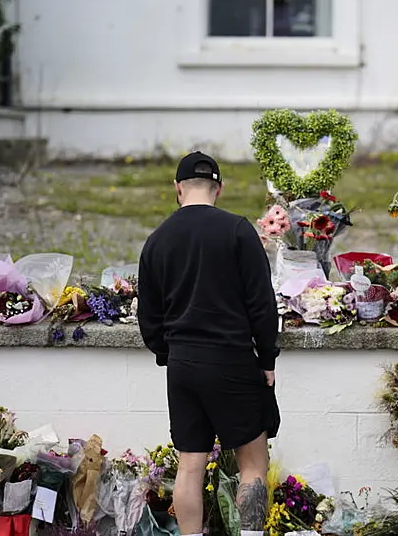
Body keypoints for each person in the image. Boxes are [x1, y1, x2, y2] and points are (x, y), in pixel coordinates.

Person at [136, 152, 281, 536]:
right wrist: (267, 358)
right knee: (252, 464)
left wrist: (169, 353)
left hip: (182, 364)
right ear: (219, 188)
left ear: (178, 188)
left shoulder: (157, 240)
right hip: (232, 361)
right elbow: (262, 304)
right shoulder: (237, 230)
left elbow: (148, 318)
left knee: (189, 464)